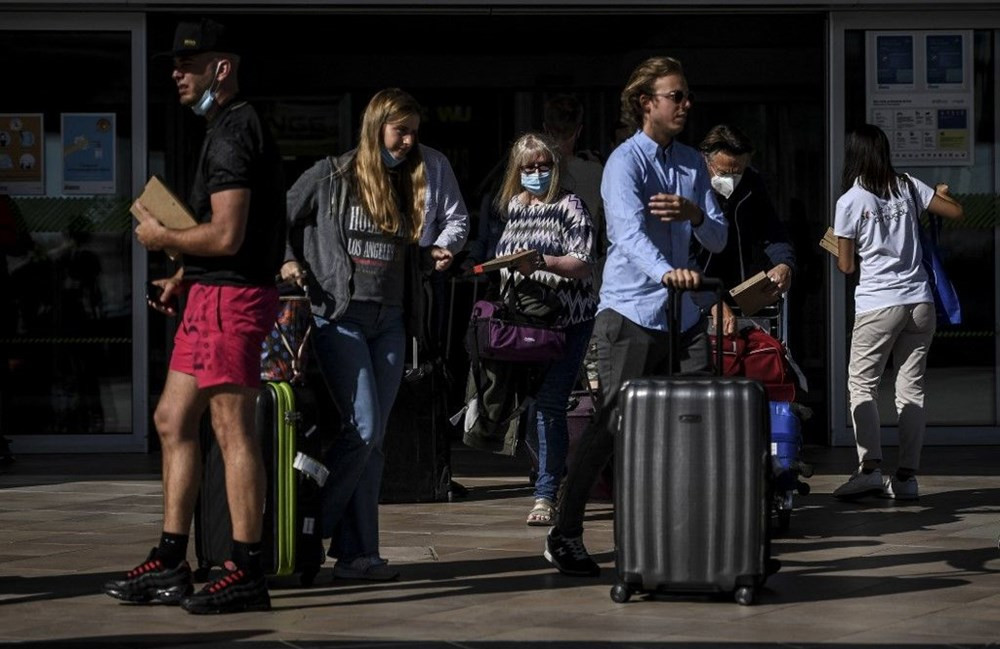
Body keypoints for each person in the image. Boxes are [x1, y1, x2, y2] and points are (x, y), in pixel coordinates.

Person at [103, 18, 285, 614]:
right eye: (175, 66)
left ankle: (246, 568)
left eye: (189, 64)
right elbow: (234, 237)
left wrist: (164, 235)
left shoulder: (235, 131)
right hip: (209, 296)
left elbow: (229, 236)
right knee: (170, 419)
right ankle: (170, 560)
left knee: (232, 431)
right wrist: (184, 277)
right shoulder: (222, 128)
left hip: (234, 300)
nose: (177, 75)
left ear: (221, 68)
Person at [543, 55, 727, 577]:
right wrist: (667, 270)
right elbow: (626, 233)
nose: (685, 104)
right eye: (675, 96)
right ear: (646, 103)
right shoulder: (626, 161)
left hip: (684, 314)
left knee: (701, 420)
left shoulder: (693, 161)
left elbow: (717, 235)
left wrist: (695, 214)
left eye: (687, 95)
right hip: (630, 311)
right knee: (611, 424)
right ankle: (566, 531)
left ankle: (696, 533)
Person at [282, 87, 443, 581]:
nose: (409, 140)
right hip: (340, 315)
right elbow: (279, 217)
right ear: (376, 128)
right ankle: (308, 529)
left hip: (390, 320)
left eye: (414, 131)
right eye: (401, 130)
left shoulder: (405, 180)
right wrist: (289, 260)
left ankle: (360, 553)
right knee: (366, 428)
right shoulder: (330, 174)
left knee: (373, 441)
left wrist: (430, 257)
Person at [831, 123, 963, 501]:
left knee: (862, 385)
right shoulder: (908, 185)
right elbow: (955, 211)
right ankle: (906, 479)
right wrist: (938, 194)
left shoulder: (851, 200)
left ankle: (870, 469)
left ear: (854, 154)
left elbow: (845, 266)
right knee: (911, 391)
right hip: (919, 303)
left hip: (878, 304)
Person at [490, 132, 597, 526]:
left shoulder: (570, 206)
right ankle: (556, 477)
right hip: (525, 324)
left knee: (550, 405)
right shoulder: (513, 207)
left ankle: (546, 493)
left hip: (567, 322)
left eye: (543, 166)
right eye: (528, 167)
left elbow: (584, 262)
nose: (536, 173)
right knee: (530, 406)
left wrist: (541, 262)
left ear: (556, 167)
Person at [695, 124, 796, 333]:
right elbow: (680, 256)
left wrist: (783, 263)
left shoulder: (752, 183)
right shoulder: (689, 186)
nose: (731, 180)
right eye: (724, 172)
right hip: (694, 293)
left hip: (739, 292)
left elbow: (772, 230)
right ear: (706, 160)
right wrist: (710, 301)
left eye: (737, 172)